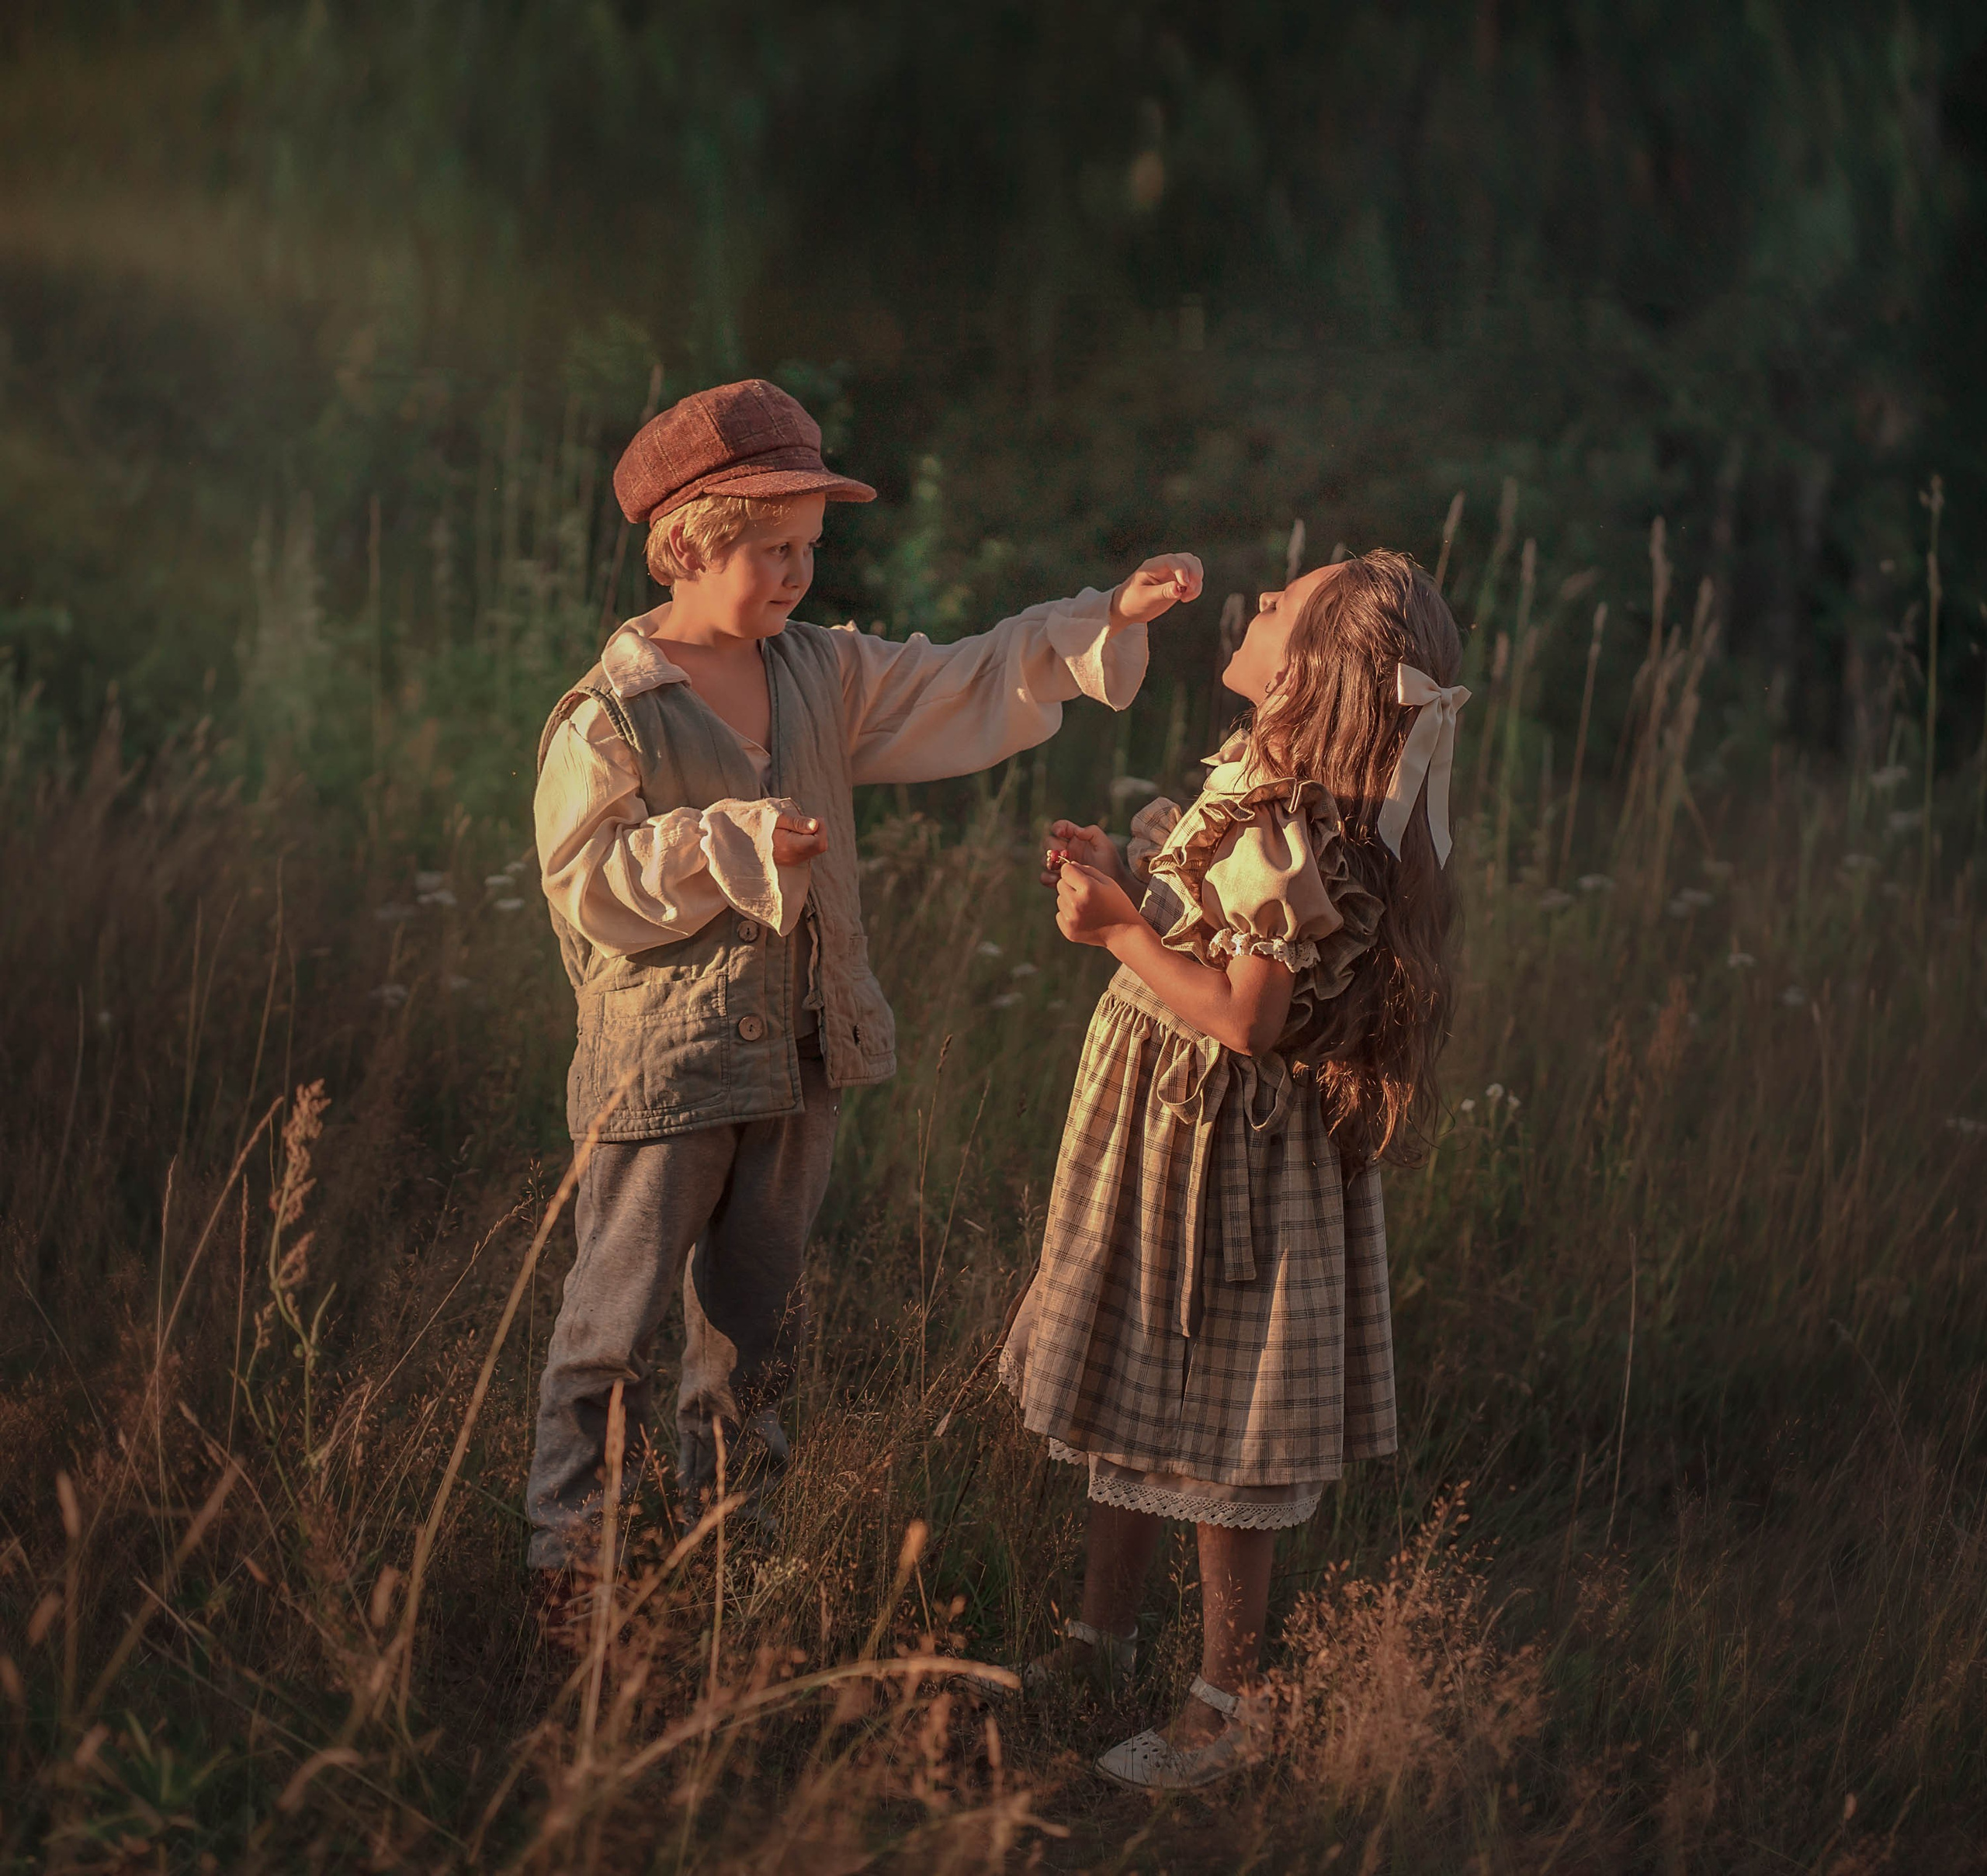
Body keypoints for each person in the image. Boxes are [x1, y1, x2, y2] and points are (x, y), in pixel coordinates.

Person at [524, 376, 1202, 1632]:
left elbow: (961, 680)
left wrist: (1097, 618)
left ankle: (729, 1560)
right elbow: (588, 881)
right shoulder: (612, 710)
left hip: (801, 1057)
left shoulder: (822, 675)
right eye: (771, 550)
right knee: (607, 1326)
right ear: (688, 542)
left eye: (807, 552)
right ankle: (577, 1576)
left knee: (749, 1328)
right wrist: (721, 840)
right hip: (662, 1074)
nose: (796, 574)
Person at [1000, 549, 1469, 1789]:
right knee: (1134, 1376)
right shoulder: (1262, 780)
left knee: (1217, 1420)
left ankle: (1228, 1703)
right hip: (1166, 1124)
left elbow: (1248, 1019)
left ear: (1312, 672)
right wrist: (1124, 886)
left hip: (1228, 1145)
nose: (1252, 607)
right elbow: (1212, 939)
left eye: (1276, 608)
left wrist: (1116, 933)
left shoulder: (1295, 819)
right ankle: (1100, 1640)